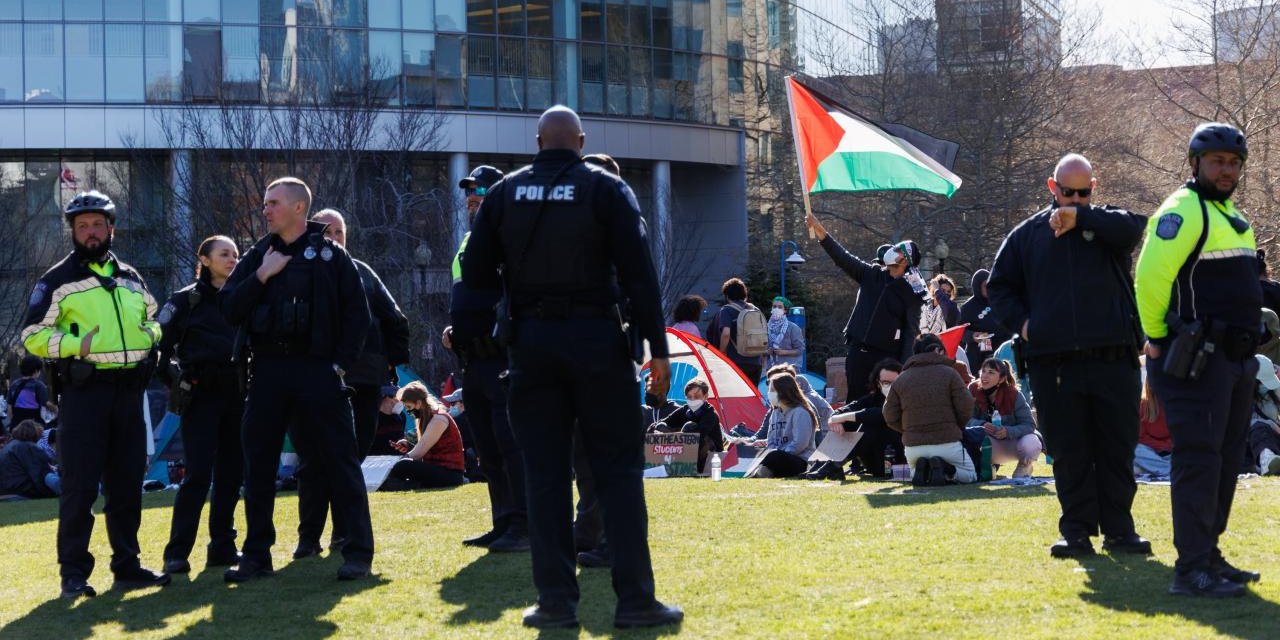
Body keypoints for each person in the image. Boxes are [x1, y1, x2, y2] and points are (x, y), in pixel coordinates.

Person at [462, 105, 681, 629]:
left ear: (538, 142)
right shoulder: (606, 189)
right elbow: (640, 275)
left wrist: (489, 331)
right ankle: (636, 601)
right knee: (619, 472)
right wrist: (658, 348)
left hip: (532, 345)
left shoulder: (504, 193)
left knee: (544, 476)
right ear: (581, 142)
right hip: (598, 342)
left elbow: (475, 275)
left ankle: (555, 603)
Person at [988, 153, 1151, 560]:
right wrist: (1026, 326)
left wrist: (1083, 218)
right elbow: (999, 287)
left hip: (1114, 359)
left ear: (1093, 188)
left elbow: (1136, 226)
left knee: (1117, 449)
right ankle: (1076, 532)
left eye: (1083, 193)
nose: (1075, 200)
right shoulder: (1027, 236)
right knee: (1069, 451)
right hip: (1054, 363)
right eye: (1067, 192)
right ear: (1052, 187)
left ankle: (1120, 531)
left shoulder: (1109, 226)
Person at [219, 177, 374, 583]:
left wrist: (339, 365)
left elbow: (358, 316)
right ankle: (256, 556)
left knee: (341, 461)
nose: (265, 210)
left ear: (299, 208)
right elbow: (229, 308)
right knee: (258, 465)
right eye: (265, 203)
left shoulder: (332, 256)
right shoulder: (259, 254)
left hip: (317, 370)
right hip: (268, 370)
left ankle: (358, 553)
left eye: (273, 203)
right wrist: (261, 276)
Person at [20, 190, 169, 598]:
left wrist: (149, 335)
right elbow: (31, 335)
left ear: (111, 229)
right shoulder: (56, 280)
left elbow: (154, 319)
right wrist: (74, 345)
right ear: (72, 231)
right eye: (82, 226)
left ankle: (127, 566)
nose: (90, 232)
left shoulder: (131, 277)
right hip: (85, 395)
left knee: (127, 485)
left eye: (97, 225)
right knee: (80, 487)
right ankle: (73, 575)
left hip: (129, 393)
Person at [1135, 123, 1262, 597]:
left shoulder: (1233, 216)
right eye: (1217, 162)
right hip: (1196, 362)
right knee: (1199, 461)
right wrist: (1156, 338)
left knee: (1226, 461)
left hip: (1235, 360)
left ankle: (1209, 555)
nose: (1227, 170)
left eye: (1234, 163)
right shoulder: (1183, 210)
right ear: (1195, 164)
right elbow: (1149, 278)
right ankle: (1191, 570)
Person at [293, 208, 411, 558]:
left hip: (363, 380)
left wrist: (388, 370)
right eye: (326, 232)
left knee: (350, 459)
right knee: (313, 462)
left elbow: (396, 320)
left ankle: (343, 533)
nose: (333, 238)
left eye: (339, 232)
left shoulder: (363, 273)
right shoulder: (297, 271)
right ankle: (308, 538)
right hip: (311, 380)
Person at [446, 163, 530, 553]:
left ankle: (525, 525)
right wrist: (455, 329)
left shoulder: (511, 234)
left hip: (502, 358)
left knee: (511, 443)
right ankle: (503, 522)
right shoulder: (470, 240)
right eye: (469, 192)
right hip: (473, 360)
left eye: (480, 191)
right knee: (488, 447)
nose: (471, 198)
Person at [155, 235, 246, 575]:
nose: (232, 259)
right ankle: (176, 553)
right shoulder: (185, 301)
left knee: (231, 475)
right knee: (197, 475)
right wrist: (178, 382)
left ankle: (222, 548)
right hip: (201, 396)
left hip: (237, 394)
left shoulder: (242, 298)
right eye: (224, 254)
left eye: (235, 254)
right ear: (205, 260)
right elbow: (158, 350)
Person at [806, 213, 923, 401]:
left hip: (886, 359)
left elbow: (910, 333)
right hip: (858, 352)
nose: (893, 251)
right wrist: (822, 233)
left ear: (905, 262)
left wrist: (903, 368)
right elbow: (843, 258)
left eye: (899, 251)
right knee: (855, 400)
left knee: (883, 404)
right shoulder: (872, 274)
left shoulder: (911, 293)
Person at [883, 334, 977, 485]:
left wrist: (908, 430)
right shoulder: (950, 373)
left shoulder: (901, 379)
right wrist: (955, 426)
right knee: (970, 475)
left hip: (913, 446)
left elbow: (889, 415)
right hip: (947, 442)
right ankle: (946, 470)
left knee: (914, 473)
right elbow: (966, 405)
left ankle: (926, 470)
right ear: (938, 350)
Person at [811, 359, 903, 481]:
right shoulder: (873, 398)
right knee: (845, 423)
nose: (890, 386)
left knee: (868, 424)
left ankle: (833, 465)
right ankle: (824, 463)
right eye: (886, 382)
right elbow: (846, 409)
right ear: (878, 383)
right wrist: (835, 419)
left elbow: (879, 414)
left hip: (898, 459)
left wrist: (841, 417)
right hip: (874, 458)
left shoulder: (906, 400)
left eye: (895, 383)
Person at [965, 358, 1042, 478]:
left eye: (991, 372)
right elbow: (964, 420)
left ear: (1001, 379)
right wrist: (981, 425)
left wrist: (1007, 431)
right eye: (983, 371)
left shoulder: (1014, 394)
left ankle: (1024, 465)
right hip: (988, 443)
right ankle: (985, 466)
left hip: (1012, 442)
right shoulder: (972, 390)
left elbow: (1029, 425)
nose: (984, 376)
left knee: (1031, 442)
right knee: (970, 438)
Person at [382, 382, 467, 490]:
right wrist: (409, 446)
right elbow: (427, 451)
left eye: (409, 407)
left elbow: (419, 453)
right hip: (439, 469)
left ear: (418, 403)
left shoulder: (438, 419)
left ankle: (400, 485)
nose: (408, 411)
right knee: (403, 465)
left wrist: (397, 462)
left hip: (450, 473)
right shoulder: (428, 418)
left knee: (402, 465)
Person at [743, 372, 817, 478]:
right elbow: (771, 440)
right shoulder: (775, 413)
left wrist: (777, 452)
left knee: (773, 456)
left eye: (772, 390)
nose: (769, 394)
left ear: (783, 391)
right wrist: (764, 447)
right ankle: (760, 472)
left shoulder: (800, 412)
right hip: (778, 456)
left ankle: (760, 472)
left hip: (801, 461)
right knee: (755, 451)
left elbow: (800, 444)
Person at [650, 378, 723, 473]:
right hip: (685, 448)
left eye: (697, 396)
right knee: (660, 426)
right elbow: (663, 422)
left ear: (705, 396)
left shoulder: (710, 414)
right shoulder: (685, 410)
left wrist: (670, 437)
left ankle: (688, 467)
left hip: (712, 455)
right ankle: (659, 465)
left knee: (690, 427)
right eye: (689, 397)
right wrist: (656, 433)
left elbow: (698, 436)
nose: (692, 400)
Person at [715, 278, 765, 383]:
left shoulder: (727, 310)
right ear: (744, 294)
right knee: (752, 392)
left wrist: (722, 353)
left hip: (736, 361)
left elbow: (726, 333)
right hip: (756, 361)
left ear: (727, 296)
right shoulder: (755, 309)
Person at [960, 270, 1009, 371]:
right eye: (986, 285)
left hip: (1001, 351)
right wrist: (973, 335)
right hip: (978, 354)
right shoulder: (968, 307)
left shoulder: (998, 301)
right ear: (978, 287)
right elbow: (960, 332)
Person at [0, 419, 60, 499]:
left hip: (5, 491)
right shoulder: (28, 447)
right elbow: (39, 475)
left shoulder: (9, 446)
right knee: (50, 476)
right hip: (21, 491)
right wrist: (50, 494)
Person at [1134, 373, 1172, 477]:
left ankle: (1154, 468)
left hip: (1171, 452)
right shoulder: (1143, 405)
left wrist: (1167, 446)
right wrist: (1160, 446)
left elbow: (1179, 434)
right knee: (1135, 450)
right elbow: (1140, 438)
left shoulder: (1175, 405)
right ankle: (1168, 468)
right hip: (1151, 452)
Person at [1249, 355, 1280, 475]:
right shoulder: (1239, 394)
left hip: (1274, 436)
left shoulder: (1275, 388)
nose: (1266, 386)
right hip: (1252, 441)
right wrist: (1271, 424)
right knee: (1259, 428)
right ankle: (1267, 461)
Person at [5, 355, 56, 427]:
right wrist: (56, 410)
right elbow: (47, 404)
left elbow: (9, 407)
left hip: (17, 425)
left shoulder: (14, 384)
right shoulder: (38, 385)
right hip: (34, 426)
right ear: (36, 371)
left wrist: (13, 424)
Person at [765, 296, 805, 370]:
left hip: (789, 369)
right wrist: (767, 352)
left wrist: (784, 352)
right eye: (774, 306)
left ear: (785, 310)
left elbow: (800, 350)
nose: (776, 309)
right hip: (771, 369)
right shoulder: (766, 327)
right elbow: (761, 349)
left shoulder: (793, 328)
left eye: (780, 307)